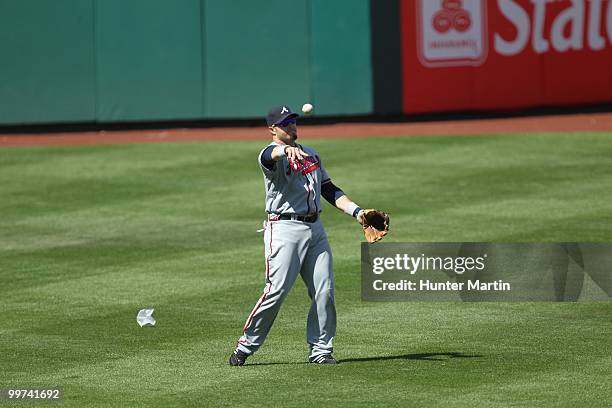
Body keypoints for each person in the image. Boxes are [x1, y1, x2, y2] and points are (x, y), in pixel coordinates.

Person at [229, 105, 370, 366]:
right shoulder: (270, 154)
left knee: (324, 290)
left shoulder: (312, 154)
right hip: (284, 230)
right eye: (285, 124)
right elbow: (270, 156)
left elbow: (329, 190)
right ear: (273, 129)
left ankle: (320, 350)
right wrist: (284, 150)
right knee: (276, 291)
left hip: (316, 230)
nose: (291, 126)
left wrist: (357, 212)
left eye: (293, 121)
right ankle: (246, 345)